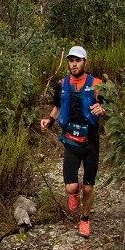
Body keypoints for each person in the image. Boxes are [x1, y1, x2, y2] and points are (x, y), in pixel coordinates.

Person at [40, 46, 106, 238]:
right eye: (71, 60)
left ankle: (84, 220)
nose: (74, 64)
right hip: (70, 141)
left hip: (90, 142)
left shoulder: (97, 84)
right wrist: (50, 120)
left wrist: (102, 109)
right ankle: (73, 193)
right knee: (71, 187)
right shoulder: (62, 84)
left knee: (88, 187)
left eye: (78, 60)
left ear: (85, 62)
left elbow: (107, 104)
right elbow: (58, 106)